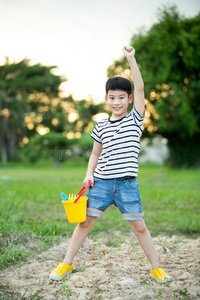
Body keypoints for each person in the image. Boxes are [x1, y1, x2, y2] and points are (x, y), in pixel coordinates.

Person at [49, 46, 172, 284]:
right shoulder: (101, 126)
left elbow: (140, 86)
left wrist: (131, 58)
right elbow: (95, 154)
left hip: (127, 185)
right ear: (106, 99)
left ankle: (156, 267)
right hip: (102, 183)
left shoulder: (135, 119)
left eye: (121, 97)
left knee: (139, 227)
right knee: (84, 223)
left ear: (129, 99)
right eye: (112, 98)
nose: (117, 102)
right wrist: (88, 174)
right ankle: (67, 262)